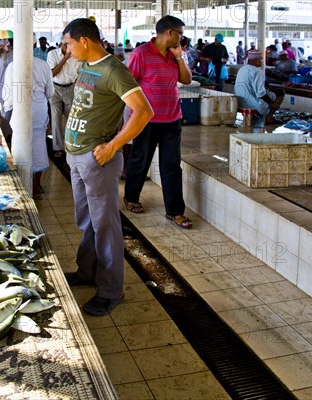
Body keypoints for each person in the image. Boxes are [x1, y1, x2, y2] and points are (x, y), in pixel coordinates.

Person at [61, 18, 153, 316]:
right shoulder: (86, 66)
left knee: (106, 225)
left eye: (69, 43)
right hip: (77, 157)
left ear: (84, 40)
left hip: (97, 159)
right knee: (86, 219)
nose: (67, 49)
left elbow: (143, 111)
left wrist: (113, 145)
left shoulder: (114, 70)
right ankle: (87, 271)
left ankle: (111, 290)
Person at [124, 15, 193, 230]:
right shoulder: (140, 54)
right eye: (179, 33)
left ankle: (175, 211)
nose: (182, 38)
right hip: (146, 119)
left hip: (172, 118)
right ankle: (131, 197)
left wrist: (180, 57)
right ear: (169, 32)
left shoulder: (176, 55)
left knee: (171, 165)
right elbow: (127, 85)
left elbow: (186, 79)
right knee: (140, 159)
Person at [2, 53, 54, 200]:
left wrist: (8, 107)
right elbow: (50, 92)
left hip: (21, 109)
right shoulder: (43, 65)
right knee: (39, 146)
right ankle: (37, 186)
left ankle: (29, 186)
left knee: (21, 148)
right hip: (39, 109)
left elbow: (9, 95)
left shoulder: (13, 66)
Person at [46, 40, 80, 159]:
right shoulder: (52, 54)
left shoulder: (76, 55)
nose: (69, 47)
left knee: (71, 119)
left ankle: (72, 146)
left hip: (70, 88)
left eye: (71, 45)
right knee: (56, 119)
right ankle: (58, 148)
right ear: (61, 44)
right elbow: (52, 73)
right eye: (67, 45)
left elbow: (79, 73)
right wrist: (65, 58)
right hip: (55, 88)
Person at [235, 52, 285, 124]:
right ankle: (269, 117)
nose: (262, 62)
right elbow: (261, 93)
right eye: (260, 60)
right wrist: (272, 103)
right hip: (253, 103)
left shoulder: (242, 69)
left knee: (269, 91)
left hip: (240, 101)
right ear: (255, 60)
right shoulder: (256, 71)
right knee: (281, 92)